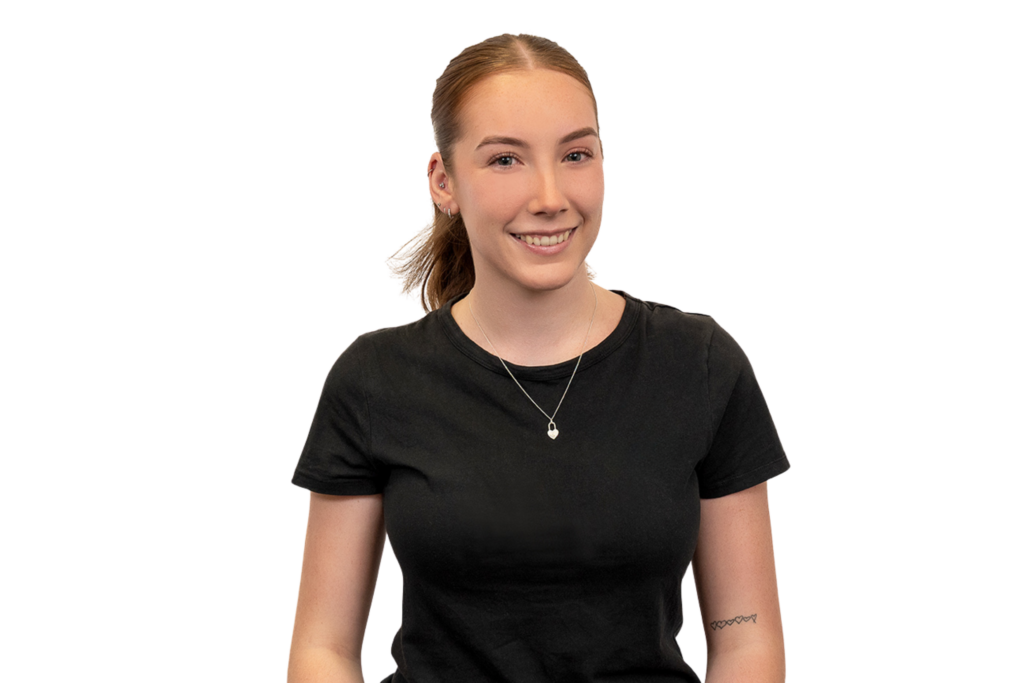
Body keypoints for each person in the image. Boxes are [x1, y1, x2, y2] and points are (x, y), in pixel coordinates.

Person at [287, 33, 790, 683]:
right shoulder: (374, 380)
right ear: (444, 181)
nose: (550, 196)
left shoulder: (700, 365)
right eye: (506, 160)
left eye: (575, 154)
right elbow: (324, 648)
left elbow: (745, 638)